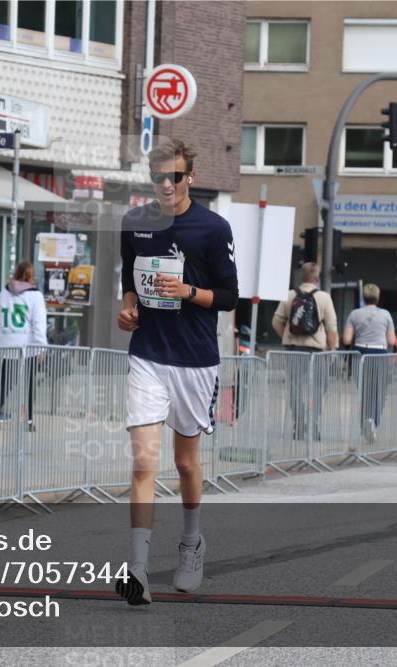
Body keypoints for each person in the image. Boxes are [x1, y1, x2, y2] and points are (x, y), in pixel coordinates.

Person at [114, 140, 239, 606]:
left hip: (195, 359)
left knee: (185, 462)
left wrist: (188, 291)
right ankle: (138, 571)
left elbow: (228, 297)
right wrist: (127, 311)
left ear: (191, 176)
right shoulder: (136, 222)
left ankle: (191, 541)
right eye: (158, 178)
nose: (167, 186)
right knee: (144, 462)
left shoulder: (212, 227)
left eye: (175, 177)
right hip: (148, 355)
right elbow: (130, 282)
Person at [271, 262, 339, 441]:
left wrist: (286, 336)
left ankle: (298, 425)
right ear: (316, 279)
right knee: (318, 388)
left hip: (293, 350)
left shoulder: (290, 295)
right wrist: (331, 350)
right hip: (316, 352)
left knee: (295, 388)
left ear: (301, 277)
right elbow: (331, 327)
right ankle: (313, 424)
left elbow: (276, 321)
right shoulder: (324, 298)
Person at [0, 261, 48, 431]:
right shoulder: (35, 296)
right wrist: (41, 347)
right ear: (32, 276)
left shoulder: (4, 292)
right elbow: (39, 324)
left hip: (7, 345)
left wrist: (1, 339)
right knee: (29, 385)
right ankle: (29, 419)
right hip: (27, 346)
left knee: (5, 382)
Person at [342, 283, 396, 444]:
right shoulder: (386, 314)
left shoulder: (354, 314)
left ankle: (365, 420)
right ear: (378, 297)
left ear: (363, 298)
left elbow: (346, 339)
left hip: (360, 353)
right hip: (379, 354)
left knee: (364, 391)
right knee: (378, 391)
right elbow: (391, 340)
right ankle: (373, 422)